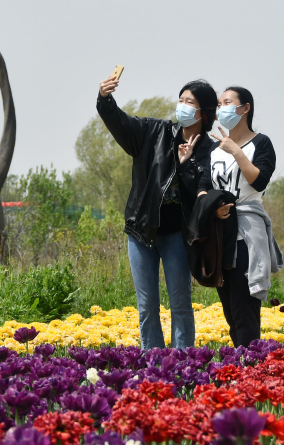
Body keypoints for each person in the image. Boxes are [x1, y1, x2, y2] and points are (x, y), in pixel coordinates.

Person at [97, 75, 218, 350]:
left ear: (204, 112)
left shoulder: (210, 151)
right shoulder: (154, 132)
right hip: (142, 230)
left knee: (180, 303)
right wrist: (105, 100)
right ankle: (153, 365)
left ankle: (182, 363)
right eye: (181, 100)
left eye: (190, 102)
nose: (183, 106)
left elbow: (202, 193)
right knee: (147, 305)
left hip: (178, 234)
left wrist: (185, 165)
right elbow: (121, 124)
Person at [197, 86, 283, 347]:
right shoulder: (214, 149)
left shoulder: (261, 143)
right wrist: (213, 206)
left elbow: (259, 182)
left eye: (227, 102)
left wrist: (236, 151)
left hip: (246, 237)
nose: (221, 108)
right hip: (221, 236)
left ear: (245, 108)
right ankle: (241, 369)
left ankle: (251, 371)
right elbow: (202, 187)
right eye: (219, 103)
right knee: (231, 315)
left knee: (245, 312)